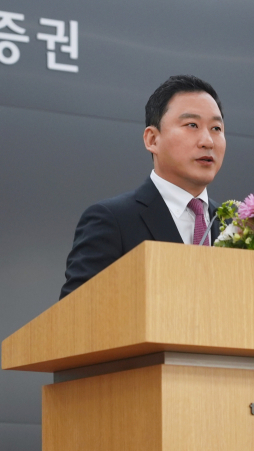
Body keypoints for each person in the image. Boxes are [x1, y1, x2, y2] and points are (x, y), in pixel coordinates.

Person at [59, 75, 226, 300]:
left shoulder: (236, 226)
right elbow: (77, 314)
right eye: (192, 125)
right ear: (152, 139)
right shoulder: (112, 221)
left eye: (216, 128)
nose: (208, 141)